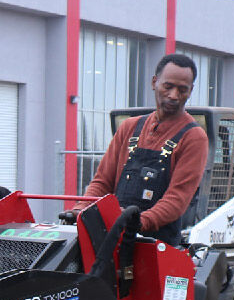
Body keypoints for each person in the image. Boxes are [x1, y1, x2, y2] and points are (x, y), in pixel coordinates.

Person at [70, 53, 209, 246]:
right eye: (168, 86)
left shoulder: (194, 138)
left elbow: (176, 200)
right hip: (115, 236)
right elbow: (102, 182)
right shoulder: (129, 127)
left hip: (158, 246)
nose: (174, 95)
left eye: (182, 90)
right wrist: (81, 210)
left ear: (191, 90)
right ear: (154, 82)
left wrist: (136, 222)